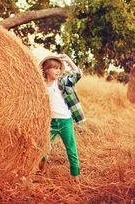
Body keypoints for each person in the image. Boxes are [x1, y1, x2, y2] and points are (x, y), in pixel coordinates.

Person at [38, 53, 86, 183]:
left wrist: (69, 60)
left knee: (71, 148)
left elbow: (77, 74)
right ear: (46, 70)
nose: (58, 71)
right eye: (54, 68)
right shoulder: (40, 86)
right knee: (44, 148)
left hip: (65, 121)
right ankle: (41, 169)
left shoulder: (62, 82)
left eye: (59, 68)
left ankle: (75, 176)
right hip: (50, 123)